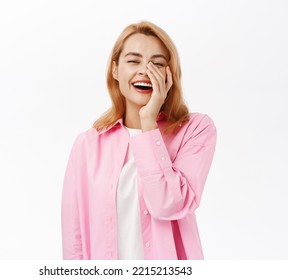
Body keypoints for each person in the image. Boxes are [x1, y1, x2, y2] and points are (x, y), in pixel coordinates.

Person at [61, 21, 217, 260]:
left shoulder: (196, 130)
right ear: (115, 70)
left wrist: (148, 124)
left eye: (157, 63)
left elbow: (169, 205)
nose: (145, 70)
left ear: (169, 74)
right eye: (133, 61)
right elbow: (74, 241)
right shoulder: (87, 145)